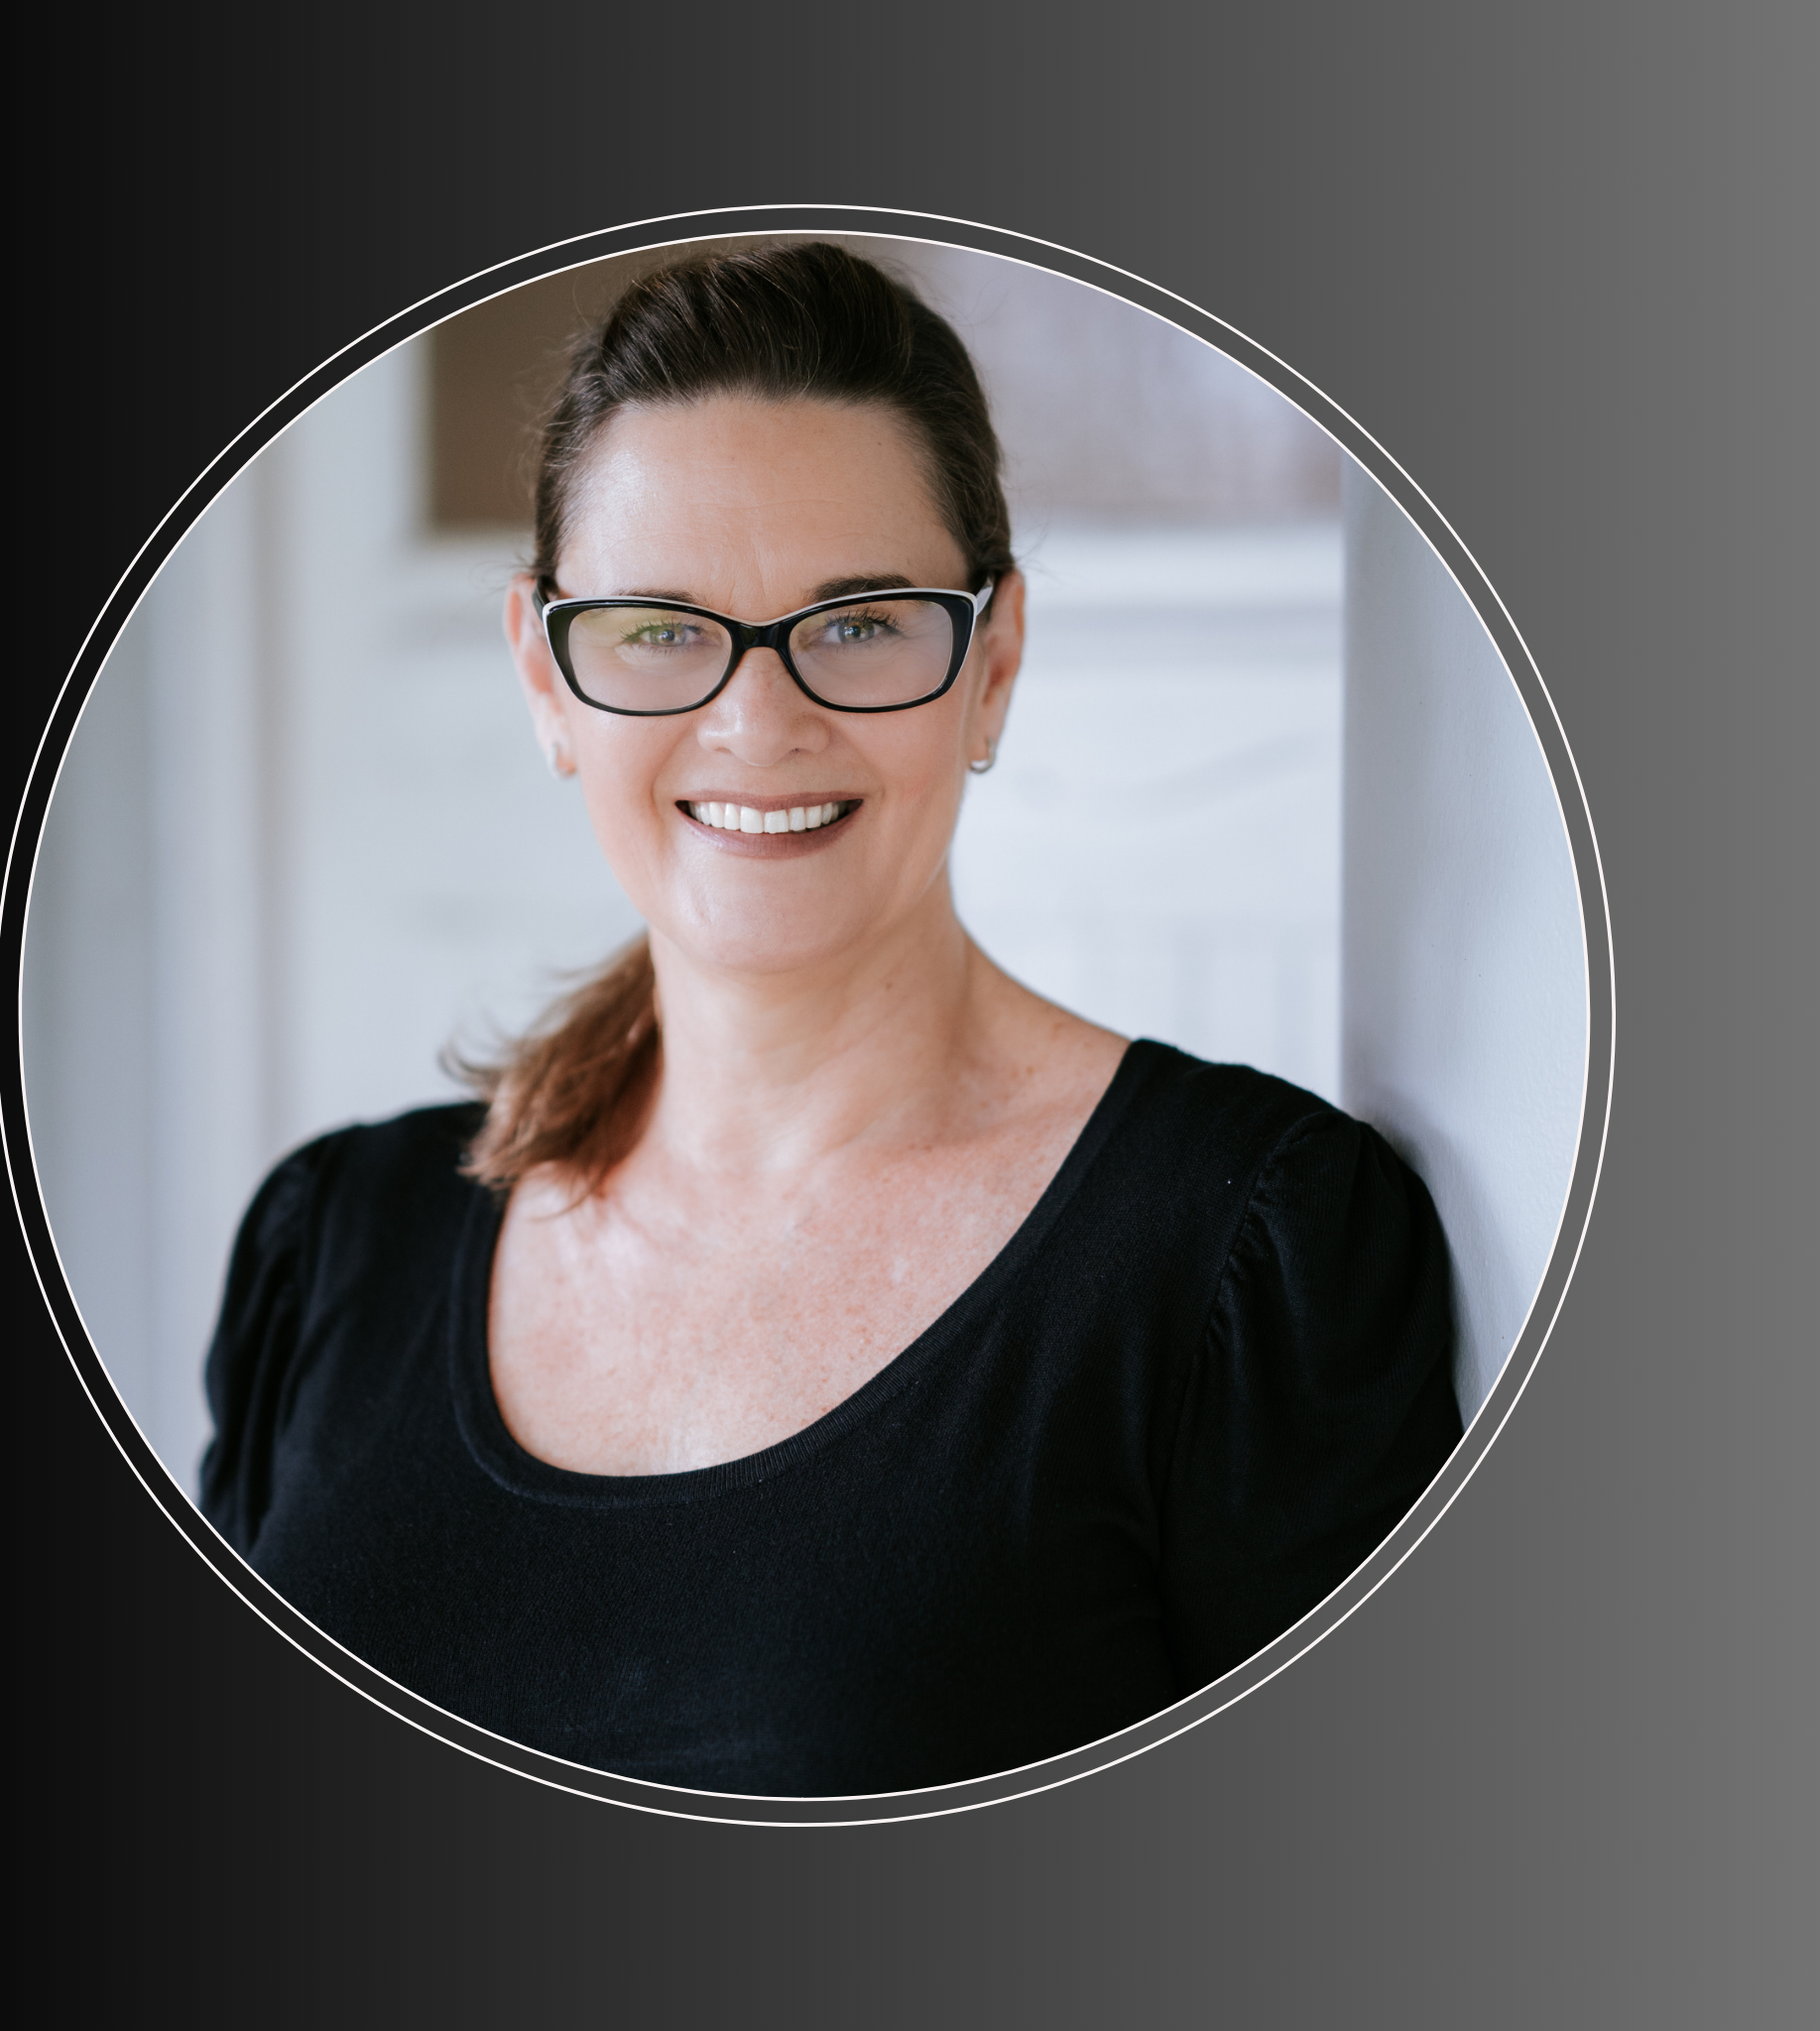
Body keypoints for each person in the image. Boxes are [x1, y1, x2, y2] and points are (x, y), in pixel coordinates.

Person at [200, 242, 1461, 1796]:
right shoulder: (333, 1245)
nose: (758, 722)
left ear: (991, 663)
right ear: (544, 673)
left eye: (860, 622)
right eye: (660, 628)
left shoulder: (1248, 1251)